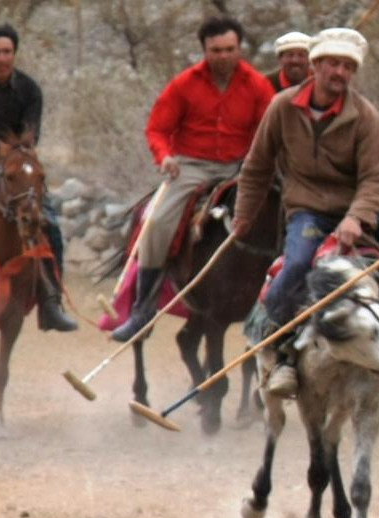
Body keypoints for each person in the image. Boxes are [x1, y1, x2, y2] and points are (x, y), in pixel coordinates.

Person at [233, 27, 379, 397]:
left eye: (347, 67)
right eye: (333, 64)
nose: (340, 72)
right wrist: (244, 214)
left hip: (360, 210)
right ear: (315, 66)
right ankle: (278, 352)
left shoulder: (365, 116)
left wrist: (356, 217)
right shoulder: (282, 107)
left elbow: (375, 177)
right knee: (295, 266)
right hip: (309, 210)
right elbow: (257, 166)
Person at [110, 15, 274, 342]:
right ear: (204, 50)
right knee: (156, 222)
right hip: (191, 166)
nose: (224, 56)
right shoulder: (184, 84)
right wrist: (165, 157)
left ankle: (281, 302)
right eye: (216, 50)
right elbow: (157, 128)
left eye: (230, 49)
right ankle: (143, 310)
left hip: (241, 167)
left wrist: (261, 163)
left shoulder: (257, 85)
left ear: (239, 48)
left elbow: (269, 129)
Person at [0, 23, 76, 332]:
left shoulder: (29, 89)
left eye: (7, 52)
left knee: (50, 224)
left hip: (15, 168)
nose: (2, 58)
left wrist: (10, 158)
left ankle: (51, 303)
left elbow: (30, 136)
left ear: (14, 53)